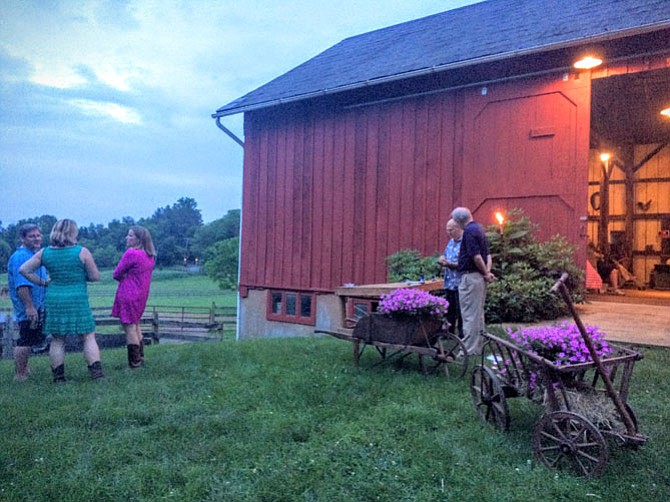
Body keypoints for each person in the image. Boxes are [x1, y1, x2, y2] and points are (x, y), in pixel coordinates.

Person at [19, 219, 104, 382]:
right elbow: (95, 276)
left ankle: (59, 378)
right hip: (77, 298)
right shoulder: (82, 252)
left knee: (58, 339)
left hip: (55, 299)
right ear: (73, 233)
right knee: (87, 336)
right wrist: (79, 276)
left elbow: (24, 269)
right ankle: (97, 374)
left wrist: (43, 282)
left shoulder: (45, 252)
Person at [452, 207, 495, 356]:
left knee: (469, 315)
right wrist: (487, 273)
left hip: (470, 277)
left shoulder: (469, 232)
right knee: (478, 314)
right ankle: (478, 347)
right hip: (478, 278)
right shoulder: (479, 228)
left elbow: (476, 257)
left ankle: (468, 351)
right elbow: (488, 255)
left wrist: (485, 273)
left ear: (458, 221)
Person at [7, 224, 48, 381]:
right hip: (28, 307)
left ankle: (24, 368)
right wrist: (29, 307)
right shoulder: (21, 257)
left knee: (29, 338)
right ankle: (20, 374)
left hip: (36, 305)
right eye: (32, 236)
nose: (36, 238)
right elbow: (22, 285)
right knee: (25, 339)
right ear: (22, 238)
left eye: (38, 235)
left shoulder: (34, 255)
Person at [111, 226, 155, 368]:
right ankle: (140, 357)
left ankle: (134, 362)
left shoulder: (131, 254)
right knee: (136, 325)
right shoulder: (150, 256)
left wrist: (125, 276)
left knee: (129, 327)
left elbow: (116, 274)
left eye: (130, 236)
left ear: (138, 239)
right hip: (141, 294)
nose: (127, 238)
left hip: (128, 293)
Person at [438, 219, 463, 338]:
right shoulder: (451, 242)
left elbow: (463, 264)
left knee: (461, 311)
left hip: (460, 282)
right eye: (447, 230)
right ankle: (449, 333)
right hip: (449, 282)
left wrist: (448, 263)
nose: (448, 232)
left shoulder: (465, 243)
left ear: (458, 228)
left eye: (451, 230)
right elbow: (445, 255)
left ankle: (462, 334)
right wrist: (442, 259)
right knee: (450, 309)